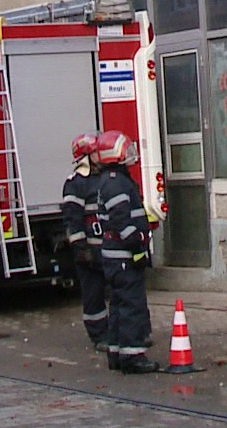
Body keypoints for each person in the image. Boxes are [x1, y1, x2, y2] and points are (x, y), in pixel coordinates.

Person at [94, 129, 159, 374]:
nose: (130, 154)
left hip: (115, 257)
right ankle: (132, 357)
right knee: (131, 306)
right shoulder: (117, 184)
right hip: (123, 257)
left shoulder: (111, 181)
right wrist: (138, 245)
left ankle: (116, 352)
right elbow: (122, 222)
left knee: (119, 306)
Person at [61, 132, 107, 351]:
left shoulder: (105, 177)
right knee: (93, 295)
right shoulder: (76, 183)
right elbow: (72, 218)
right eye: (96, 151)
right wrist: (80, 248)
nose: (101, 155)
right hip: (88, 251)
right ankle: (98, 336)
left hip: (108, 248)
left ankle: (118, 332)